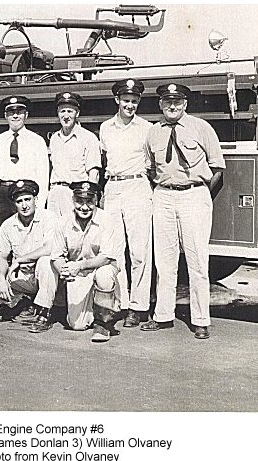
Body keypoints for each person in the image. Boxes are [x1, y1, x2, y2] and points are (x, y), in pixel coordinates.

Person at [142, 83, 225, 339]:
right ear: (160, 105)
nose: (172, 106)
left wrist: (200, 196)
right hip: (164, 196)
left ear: (185, 104)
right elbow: (149, 170)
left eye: (177, 101)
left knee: (197, 261)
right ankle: (163, 316)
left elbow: (218, 169)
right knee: (164, 262)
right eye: (167, 101)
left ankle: (200, 320)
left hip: (194, 195)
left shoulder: (202, 128)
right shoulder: (153, 133)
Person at [98, 79, 154, 328]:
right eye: (126, 101)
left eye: (134, 101)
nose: (130, 105)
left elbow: (152, 162)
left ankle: (138, 307)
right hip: (113, 187)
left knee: (139, 250)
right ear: (117, 101)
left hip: (137, 186)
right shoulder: (105, 127)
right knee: (114, 249)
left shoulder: (147, 128)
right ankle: (119, 302)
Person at [48, 181, 122, 342]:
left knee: (104, 274)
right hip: (78, 274)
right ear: (73, 201)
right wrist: (64, 271)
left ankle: (104, 323)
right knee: (77, 325)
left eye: (89, 201)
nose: (84, 207)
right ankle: (97, 308)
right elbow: (56, 256)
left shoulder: (107, 219)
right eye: (80, 201)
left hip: (100, 268)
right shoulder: (63, 222)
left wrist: (79, 266)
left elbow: (106, 257)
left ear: (96, 201)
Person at [0, 179, 58, 324]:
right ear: (14, 204)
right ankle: (24, 301)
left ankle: (44, 311)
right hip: (25, 275)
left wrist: (19, 259)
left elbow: (49, 249)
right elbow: (1, 257)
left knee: (45, 262)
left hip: (48, 276)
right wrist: (2, 281)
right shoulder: (8, 225)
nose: (24, 205)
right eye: (19, 201)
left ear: (36, 199)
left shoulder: (48, 218)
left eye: (28, 200)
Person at [0, 96, 50, 264]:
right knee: (0, 243)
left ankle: (25, 284)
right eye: (11, 112)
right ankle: (1, 283)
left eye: (19, 112)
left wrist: (40, 204)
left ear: (26, 115)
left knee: (27, 239)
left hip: (25, 195)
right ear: (5, 116)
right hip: (1, 194)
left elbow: (43, 175)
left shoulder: (37, 141)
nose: (15, 116)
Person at [47, 92, 101, 218]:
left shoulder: (88, 138)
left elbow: (94, 173)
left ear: (77, 113)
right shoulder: (54, 138)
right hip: (55, 194)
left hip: (75, 194)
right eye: (62, 111)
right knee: (54, 233)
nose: (66, 116)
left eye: (70, 112)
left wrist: (88, 198)